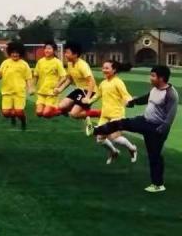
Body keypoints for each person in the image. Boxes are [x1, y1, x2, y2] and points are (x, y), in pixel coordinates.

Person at [93, 65, 178, 193]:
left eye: (153, 76)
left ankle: (158, 184)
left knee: (154, 156)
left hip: (156, 129)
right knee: (122, 123)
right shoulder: (155, 89)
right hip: (144, 121)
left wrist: (160, 131)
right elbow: (146, 98)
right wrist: (133, 102)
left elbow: (170, 117)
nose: (150, 78)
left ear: (161, 78)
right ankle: (97, 130)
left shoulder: (171, 94)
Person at [84, 60, 138, 164]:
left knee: (114, 137)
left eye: (107, 68)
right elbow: (97, 95)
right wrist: (89, 101)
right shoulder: (103, 83)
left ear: (114, 70)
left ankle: (132, 149)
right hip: (105, 115)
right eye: (103, 68)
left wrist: (129, 101)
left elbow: (125, 95)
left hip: (117, 115)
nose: (104, 70)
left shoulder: (118, 82)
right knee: (100, 139)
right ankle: (114, 152)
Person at [53, 42, 101, 124]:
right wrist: (60, 89)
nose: (65, 55)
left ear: (75, 54)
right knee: (61, 107)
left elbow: (91, 82)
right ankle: (83, 109)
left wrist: (88, 98)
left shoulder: (82, 65)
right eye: (65, 52)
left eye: (67, 53)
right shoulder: (70, 63)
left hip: (89, 91)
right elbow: (69, 79)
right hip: (79, 90)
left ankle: (100, 113)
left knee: (74, 114)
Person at [0, 41, 34, 130]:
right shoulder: (5, 63)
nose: (15, 54)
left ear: (20, 53)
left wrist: (30, 88)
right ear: (10, 53)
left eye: (17, 53)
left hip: (19, 92)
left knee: (19, 112)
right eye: (13, 52)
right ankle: (13, 117)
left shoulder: (24, 64)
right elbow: (0, 75)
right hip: (7, 92)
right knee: (6, 113)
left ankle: (23, 121)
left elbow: (28, 78)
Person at [33, 41, 66, 118]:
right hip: (41, 92)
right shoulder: (40, 61)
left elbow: (64, 77)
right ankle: (57, 110)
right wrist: (33, 87)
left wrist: (57, 86)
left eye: (49, 49)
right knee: (39, 113)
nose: (47, 50)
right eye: (46, 48)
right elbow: (36, 75)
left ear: (54, 51)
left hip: (52, 93)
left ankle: (59, 110)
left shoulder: (57, 62)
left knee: (46, 114)